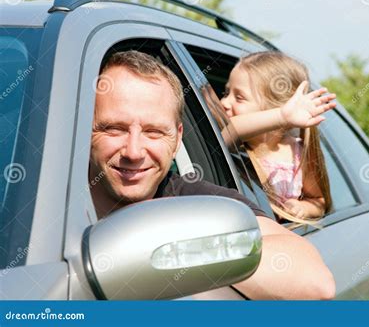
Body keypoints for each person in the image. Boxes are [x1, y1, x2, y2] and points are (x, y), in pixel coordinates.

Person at [89, 50, 335, 300]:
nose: (134, 151)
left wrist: (165, 251)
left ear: (177, 140)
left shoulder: (197, 199)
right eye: (114, 129)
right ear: (85, 128)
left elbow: (316, 284)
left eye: (154, 132)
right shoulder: (48, 193)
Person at [220, 51, 335, 224]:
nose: (224, 102)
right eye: (226, 92)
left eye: (239, 97)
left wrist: (303, 208)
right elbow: (231, 131)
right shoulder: (232, 145)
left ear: (276, 106)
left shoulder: (298, 153)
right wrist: (281, 116)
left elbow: (319, 201)